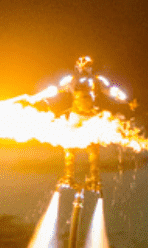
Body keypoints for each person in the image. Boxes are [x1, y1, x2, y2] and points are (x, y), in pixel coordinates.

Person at [29, 55, 137, 189]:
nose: (84, 68)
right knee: (75, 146)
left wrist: (127, 101)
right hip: (78, 115)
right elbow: (55, 89)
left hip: (87, 116)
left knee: (88, 148)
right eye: (84, 66)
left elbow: (112, 91)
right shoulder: (76, 79)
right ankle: (77, 177)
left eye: (85, 66)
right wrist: (40, 97)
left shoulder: (92, 79)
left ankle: (90, 178)